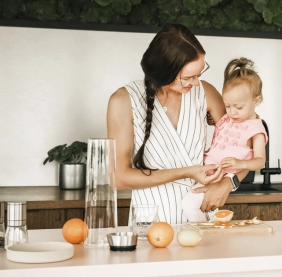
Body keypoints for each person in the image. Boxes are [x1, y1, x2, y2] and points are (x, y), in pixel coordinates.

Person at [107, 24, 245, 224]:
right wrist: (187, 171)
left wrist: (228, 182)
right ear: (164, 72)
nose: (196, 83)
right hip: (149, 224)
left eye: (199, 74)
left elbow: (247, 149)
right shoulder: (124, 101)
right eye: (188, 78)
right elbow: (119, 178)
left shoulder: (205, 94)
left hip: (200, 218)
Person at [181, 57, 268, 222]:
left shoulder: (256, 130)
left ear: (256, 100)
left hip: (221, 175)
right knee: (194, 205)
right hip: (207, 171)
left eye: (238, 107)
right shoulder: (228, 118)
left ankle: (204, 231)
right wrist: (211, 119)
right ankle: (212, 224)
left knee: (188, 204)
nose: (232, 112)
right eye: (228, 106)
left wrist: (240, 164)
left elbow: (260, 162)